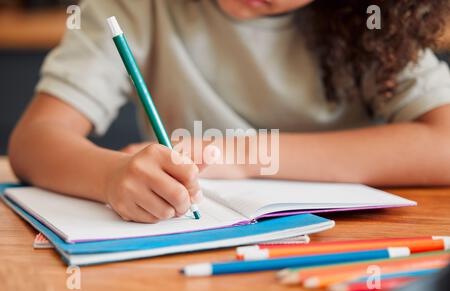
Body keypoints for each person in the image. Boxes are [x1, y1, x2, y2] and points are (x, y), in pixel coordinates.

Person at [8, 0, 450, 223]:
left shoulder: (374, 19)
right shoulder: (136, 7)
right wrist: (109, 176)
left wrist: (238, 155)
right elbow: (35, 138)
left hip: (338, 250)